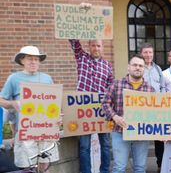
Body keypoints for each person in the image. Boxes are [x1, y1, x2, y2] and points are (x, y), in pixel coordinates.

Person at [0, 46, 59, 173]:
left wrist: (57, 118)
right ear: (22, 61)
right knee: (28, 167)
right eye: (29, 59)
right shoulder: (14, 78)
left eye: (36, 59)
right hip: (25, 131)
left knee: (45, 166)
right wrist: (13, 103)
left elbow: (53, 103)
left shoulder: (47, 78)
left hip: (45, 129)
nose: (33, 62)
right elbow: (1, 100)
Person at [102, 54, 155, 173]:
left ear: (144, 69)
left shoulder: (150, 89)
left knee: (140, 168)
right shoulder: (117, 84)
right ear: (128, 67)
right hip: (120, 131)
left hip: (141, 133)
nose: (138, 68)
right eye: (135, 65)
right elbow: (105, 103)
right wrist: (115, 117)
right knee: (119, 168)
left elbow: (155, 112)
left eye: (141, 66)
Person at [69, 39, 113, 173]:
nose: (96, 48)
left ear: (102, 47)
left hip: (101, 110)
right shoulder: (82, 58)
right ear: (89, 46)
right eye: (93, 45)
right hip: (84, 110)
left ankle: (104, 171)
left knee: (105, 144)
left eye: (98, 45)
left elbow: (110, 87)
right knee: (84, 146)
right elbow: (74, 42)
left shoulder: (108, 66)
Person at [140, 42, 171, 170]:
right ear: (141, 53)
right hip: (142, 109)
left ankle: (160, 165)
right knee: (142, 139)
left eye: (150, 52)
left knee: (159, 138)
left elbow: (163, 86)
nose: (148, 55)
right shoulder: (138, 67)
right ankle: (140, 166)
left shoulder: (158, 69)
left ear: (153, 54)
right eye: (145, 52)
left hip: (158, 109)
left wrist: (163, 98)